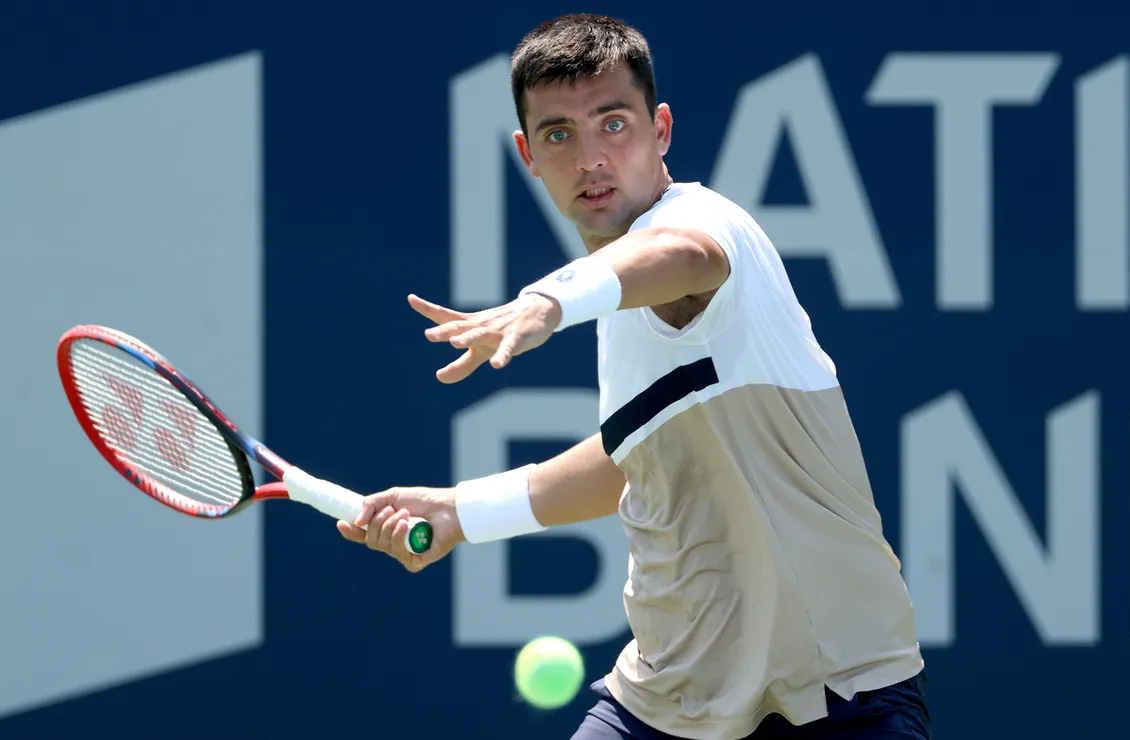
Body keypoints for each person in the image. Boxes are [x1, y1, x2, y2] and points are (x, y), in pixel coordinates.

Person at [336, 12, 932, 740]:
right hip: (670, 699)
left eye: (612, 124)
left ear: (663, 130)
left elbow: (679, 259)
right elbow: (632, 459)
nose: (590, 157)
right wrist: (465, 512)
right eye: (559, 134)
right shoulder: (618, 303)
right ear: (527, 154)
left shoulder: (706, 227)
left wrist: (548, 299)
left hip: (835, 696)